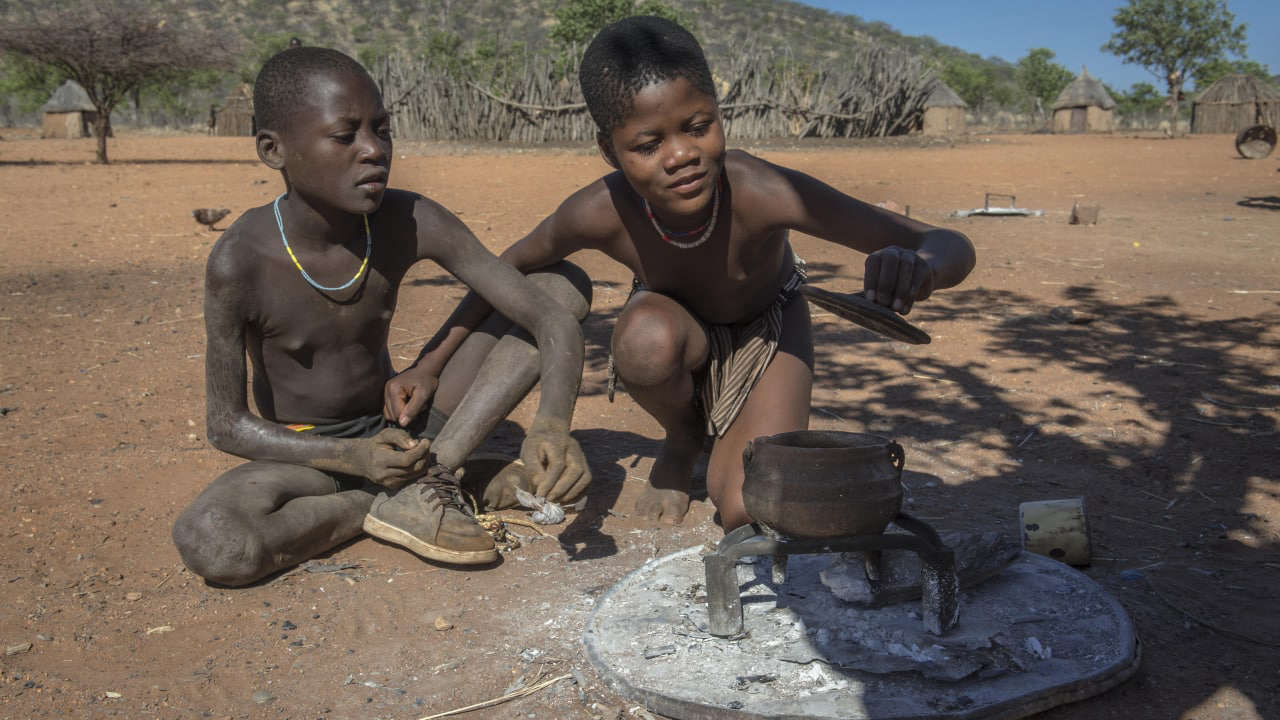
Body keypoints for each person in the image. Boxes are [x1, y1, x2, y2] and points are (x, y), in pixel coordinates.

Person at [433, 16, 975, 530]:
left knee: (749, 507)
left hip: (770, 329)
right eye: (648, 145)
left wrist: (921, 267)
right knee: (645, 337)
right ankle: (683, 435)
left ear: (720, 115)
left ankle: (728, 440)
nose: (680, 155)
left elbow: (949, 243)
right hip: (674, 332)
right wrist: (431, 363)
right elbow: (503, 269)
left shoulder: (760, 190)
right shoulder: (599, 211)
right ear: (609, 150)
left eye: (698, 127)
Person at [172, 47, 592, 586]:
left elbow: (550, 312)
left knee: (562, 284)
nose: (374, 150)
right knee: (216, 541)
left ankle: (433, 476)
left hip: (405, 424)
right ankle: (394, 499)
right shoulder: (240, 261)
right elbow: (226, 425)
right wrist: (353, 458)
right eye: (345, 136)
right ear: (273, 149)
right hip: (313, 454)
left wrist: (552, 423)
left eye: (382, 129)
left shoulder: (409, 218)